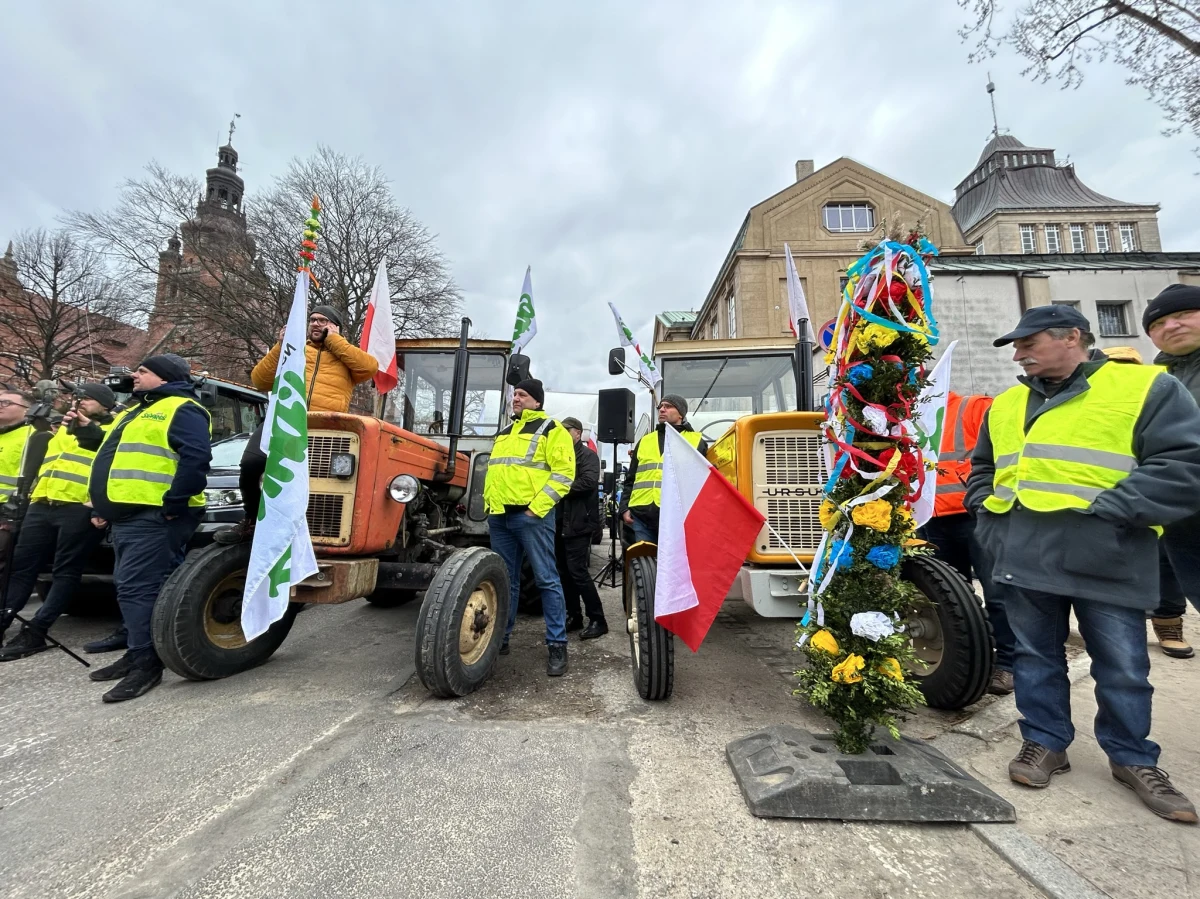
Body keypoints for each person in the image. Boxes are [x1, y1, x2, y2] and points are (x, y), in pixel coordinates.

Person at [966, 305, 1200, 823]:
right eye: (1016, 346)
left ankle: (1132, 756)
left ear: (1073, 337)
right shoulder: (1005, 405)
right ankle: (1045, 742)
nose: (1019, 354)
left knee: (1123, 666)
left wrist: (1112, 512)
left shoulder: (1145, 389)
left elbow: (1183, 465)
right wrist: (988, 516)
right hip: (1025, 554)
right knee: (1033, 657)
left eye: (1030, 343)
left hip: (1108, 555)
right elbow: (983, 467)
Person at [67, 354, 213, 703]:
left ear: (164, 377)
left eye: (143, 371)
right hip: (132, 515)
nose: (134, 375)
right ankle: (139, 652)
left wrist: (173, 505)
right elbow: (115, 453)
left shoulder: (182, 408)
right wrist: (87, 431)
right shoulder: (137, 411)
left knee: (137, 589)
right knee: (139, 587)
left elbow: (196, 459)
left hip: (154, 516)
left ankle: (146, 663)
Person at [215, 304, 377, 545]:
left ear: (335, 327)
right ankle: (251, 522)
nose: (315, 324)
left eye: (323, 320)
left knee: (318, 481)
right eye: (312, 320)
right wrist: (280, 346)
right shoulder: (293, 349)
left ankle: (316, 531)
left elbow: (369, 368)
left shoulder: (346, 355)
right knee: (252, 463)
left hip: (324, 427)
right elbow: (260, 380)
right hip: (285, 418)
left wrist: (334, 341)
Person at [0, 384, 119, 658]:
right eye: (78, 398)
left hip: (78, 508)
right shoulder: (62, 429)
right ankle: (4, 618)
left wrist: (98, 506)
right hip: (42, 504)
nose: (80, 402)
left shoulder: (113, 431)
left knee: (66, 571)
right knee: (20, 568)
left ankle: (37, 630)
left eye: (88, 398)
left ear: (105, 405)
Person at [918, 390, 1016, 696]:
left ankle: (1009, 665)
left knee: (998, 592)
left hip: (976, 515)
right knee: (951, 600)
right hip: (932, 520)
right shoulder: (909, 419)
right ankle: (970, 662)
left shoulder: (972, 407)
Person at [484, 378, 575, 676]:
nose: (516, 398)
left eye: (522, 394)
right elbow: (496, 473)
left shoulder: (552, 429)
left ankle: (557, 645)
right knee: (505, 582)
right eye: (514, 394)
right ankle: (502, 638)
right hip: (500, 518)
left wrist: (536, 509)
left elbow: (563, 474)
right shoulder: (505, 433)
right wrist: (490, 507)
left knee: (547, 579)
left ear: (537, 400)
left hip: (531, 517)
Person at [1141, 284, 1200, 659]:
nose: (1172, 326)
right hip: (1182, 517)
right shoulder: (1157, 381)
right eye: (1160, 322)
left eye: (1183, 315)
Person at [619, 395, 708, 543]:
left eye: (668, 406)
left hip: (677, 519)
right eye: (660, 406)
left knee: (672, 565)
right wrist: (624, 508)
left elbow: (703, 482)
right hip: (641, 516)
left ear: (680, 413)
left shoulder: (696, 442)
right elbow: (631, 479)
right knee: (643, 563)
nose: (662, 409)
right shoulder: (645, 441)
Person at [555, 417, 606, 640]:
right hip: (558, 523)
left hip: (578, 523)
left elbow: (587, 483)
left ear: (577, 433)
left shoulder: (588, 456)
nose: (562, 434)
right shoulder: (557, 455)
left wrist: (557, 487)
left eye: (566, 430)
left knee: (578, 572)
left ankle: (598, 619)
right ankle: (574, 616)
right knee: (564, 573)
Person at [0, 388, 34, 642]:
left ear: (26, 409)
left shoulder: (33, 437)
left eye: (6, 402)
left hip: (7, 514)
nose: (0, 405)